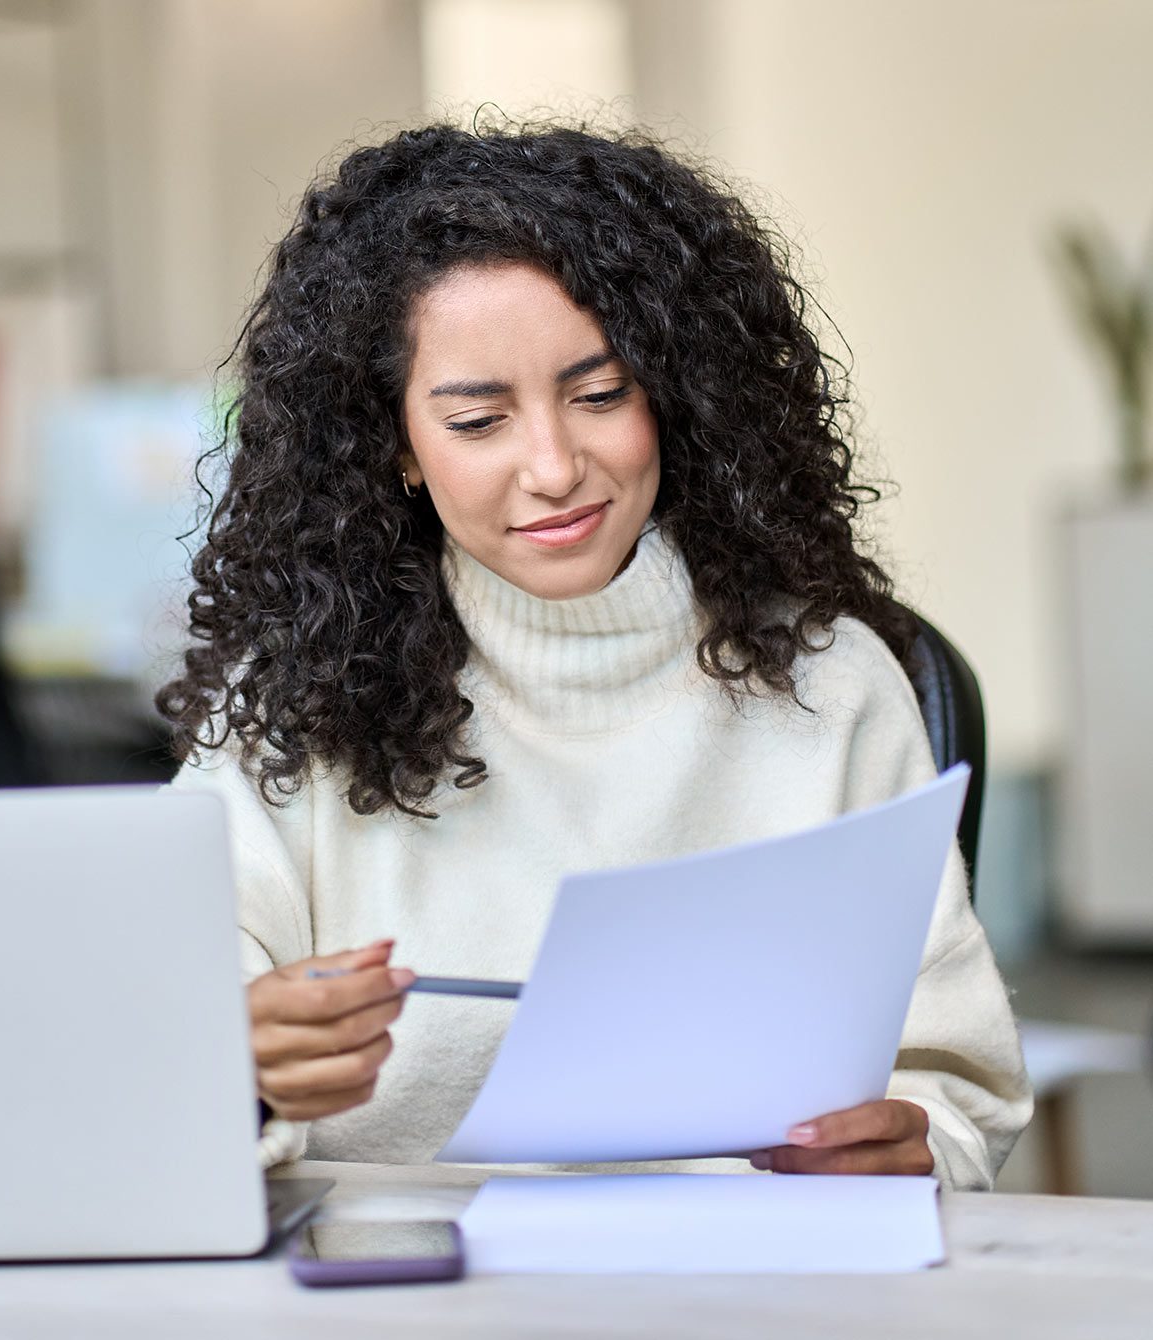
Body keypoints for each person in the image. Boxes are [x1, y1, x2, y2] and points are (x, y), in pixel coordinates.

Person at [158, 120, 1032, 1187]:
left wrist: (911, 1145)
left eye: (599, 394)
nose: (553, 466)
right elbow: (158, 1056)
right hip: (399, 1293)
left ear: (673, 391)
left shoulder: (829, 680)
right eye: (477, 420)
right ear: (393, 444)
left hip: (746, 1287)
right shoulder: (291, 702)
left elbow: (949, 1082)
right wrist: (236, 1066)